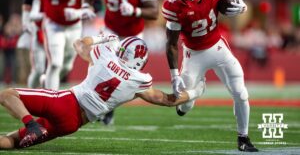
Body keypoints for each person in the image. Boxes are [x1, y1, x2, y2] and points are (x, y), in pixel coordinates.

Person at [0, 34, 201, 149]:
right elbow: (167, 100)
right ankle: (31, 125)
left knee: (6, 94)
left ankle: (31, 123)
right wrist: (194, 93)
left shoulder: (105, 56)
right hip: (74, 123)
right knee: (14, 142)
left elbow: (79, 45)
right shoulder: (140, 81)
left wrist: (101, 37)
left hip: (67, 102)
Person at [162, 0, 258, 152]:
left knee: (240, 92)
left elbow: (222, 4)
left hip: (217, 46)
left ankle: (243, 138)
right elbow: (171, 43)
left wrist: (239, 7)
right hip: (193, 54)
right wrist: (174, 75)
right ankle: (185, 105)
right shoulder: (172, 6)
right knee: (185, 105)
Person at [82, 0, 159, 124]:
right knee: (98, 65)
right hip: (111, 30)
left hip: (133, 36)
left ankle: (109, 108)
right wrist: (87, 6)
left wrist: (135, 10)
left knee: (124, 74)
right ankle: (91, 101)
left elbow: (154, 12)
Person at [21, 0, 95, 90]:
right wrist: (25, 19)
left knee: (67, 66)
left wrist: (80, 12)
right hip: (53, 25)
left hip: (74, 26)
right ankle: (50, 98)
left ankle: (47, 82)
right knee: (55, 63)